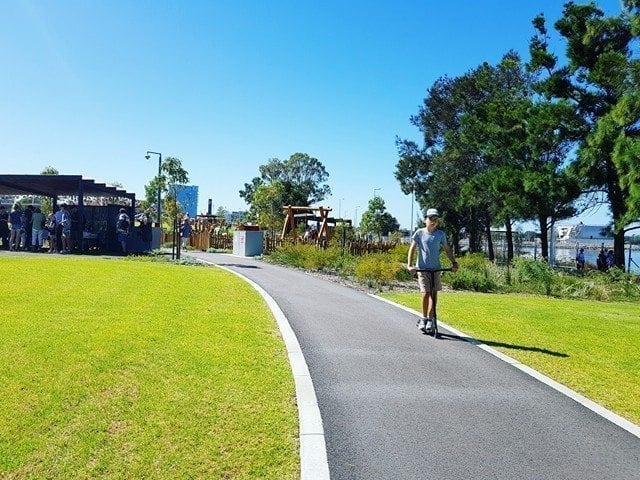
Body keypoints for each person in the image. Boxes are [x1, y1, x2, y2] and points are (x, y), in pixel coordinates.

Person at [406, 208, 458, 333]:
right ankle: (424, 318)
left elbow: (447, 249)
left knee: (434, 295)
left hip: (436, 269)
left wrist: (454, 263)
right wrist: (410, 265)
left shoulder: (440, 234)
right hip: (423, 269)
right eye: (431, 219)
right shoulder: (419, 233)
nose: (433, 221)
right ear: (425, 220)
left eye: (435, 219)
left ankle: (431, 319)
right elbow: (412, 249)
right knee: (426, 293)